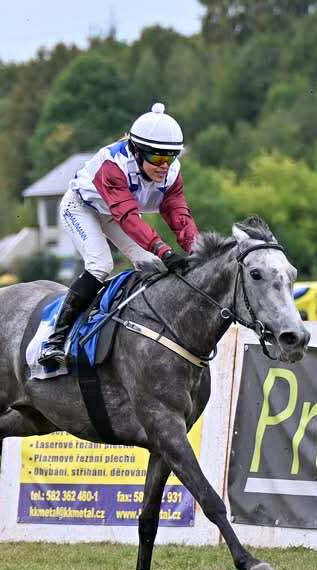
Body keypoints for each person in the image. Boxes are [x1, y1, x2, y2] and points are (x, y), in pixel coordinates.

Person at [38, 102, 201, 369]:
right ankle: (55, 339)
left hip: (115, 213)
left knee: (151, 265)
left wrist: (198, 250)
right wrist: (165, 250)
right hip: (81, 208)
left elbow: (178, 214)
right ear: (137, 151)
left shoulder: (172, 173)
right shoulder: (113, 165)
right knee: (100, 265)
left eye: (170, 157)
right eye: (157, 158)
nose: (164, 166)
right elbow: (128, 217)